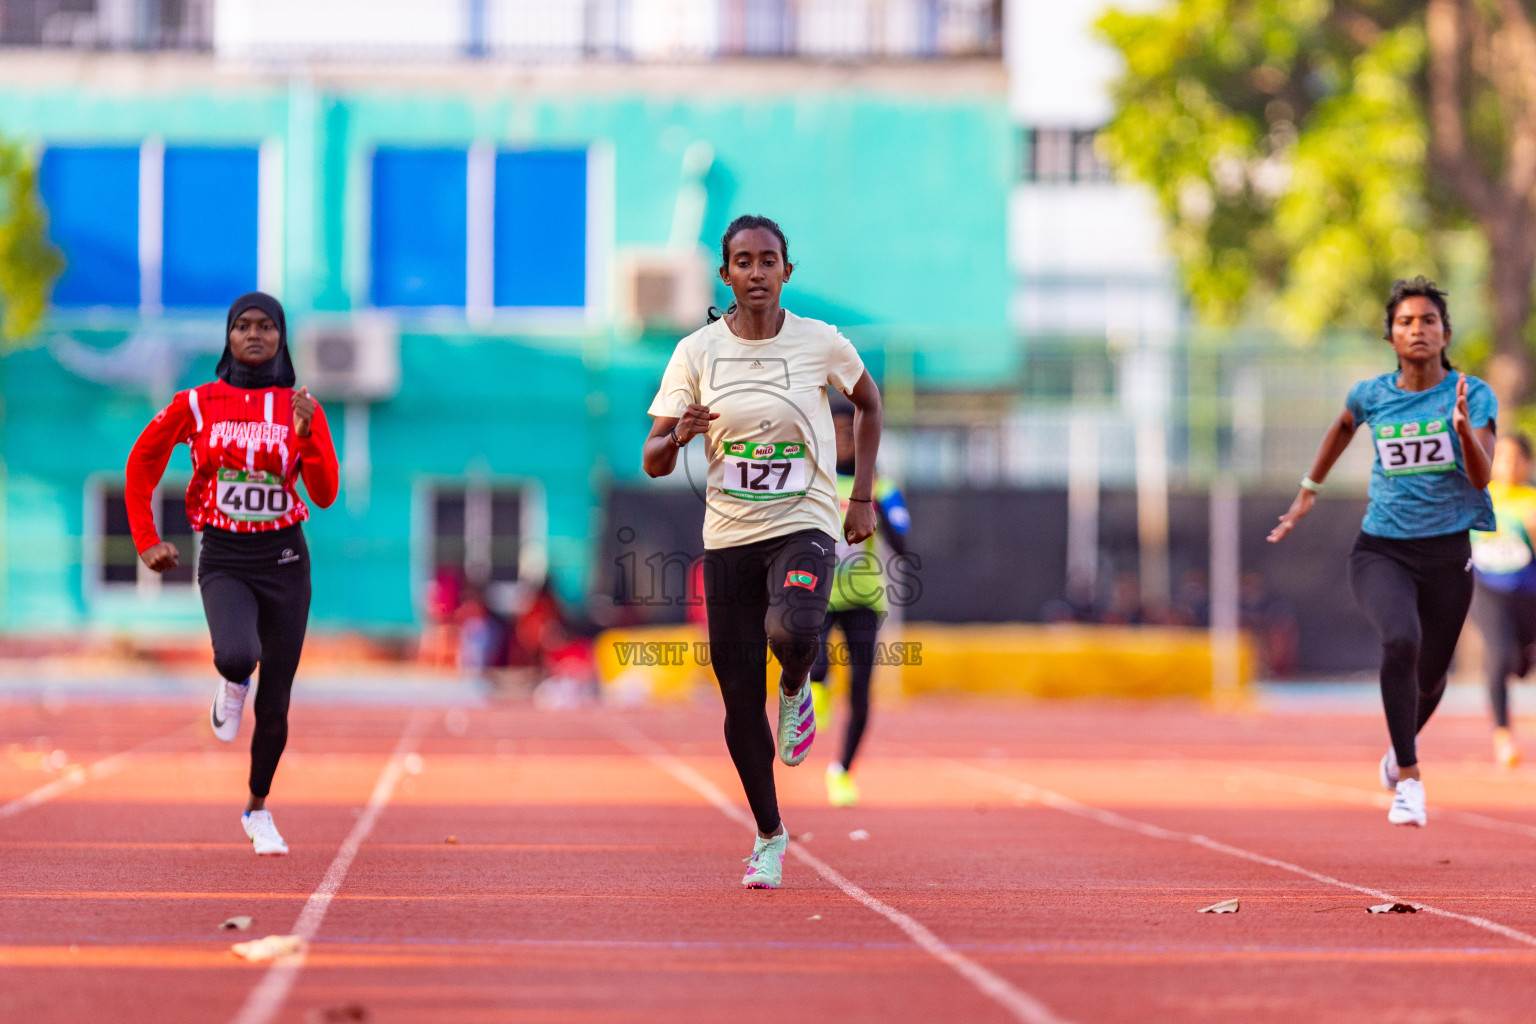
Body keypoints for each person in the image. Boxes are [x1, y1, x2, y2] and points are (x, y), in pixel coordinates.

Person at [643, 214, 883, 888]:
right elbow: (654, 458)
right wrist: (680, 435)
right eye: (742, 262)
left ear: (786, 271)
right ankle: (770, 836)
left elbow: (869, 402)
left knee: (795, 624)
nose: (755, 272)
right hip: (729, 538)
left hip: (803, 518)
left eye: (767, 260)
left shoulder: (820, 342)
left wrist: (859, 495)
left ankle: (798, 683)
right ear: (725, 274)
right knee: (737, 701)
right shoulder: (696, 353)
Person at [1269, 276, 1495, 829]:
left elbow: (1482, 476)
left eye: (1428, 321)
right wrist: (1307, 492)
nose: (1417, 330)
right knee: (1400, 641)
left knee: (1432, 678)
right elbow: (1343, 426)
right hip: (1383, 550)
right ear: (1391, 336)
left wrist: (1464, 431)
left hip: (1447, 555)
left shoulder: (1473, 393)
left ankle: (1398, 750)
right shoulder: (1372, 394)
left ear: (1445, 333)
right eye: (1405, 322)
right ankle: (1411, 781)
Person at [126, 292, 338, 855]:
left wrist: (309, 435)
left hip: (286, 560)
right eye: (241, 326)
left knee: (276, 704)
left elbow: (324, 493)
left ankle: (257, 808)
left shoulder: (299, 405)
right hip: (224, 554)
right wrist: (146, 540)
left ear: (280, 337)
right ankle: (229, 683)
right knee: (237, 656)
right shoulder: (197, 403)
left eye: (265, 326)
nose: (253, 335)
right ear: (227, 337)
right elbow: (142, 461)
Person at [807, 399, 910, 807]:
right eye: (837, 432)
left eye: (852, 432)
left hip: (863, 599)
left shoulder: (882, 488)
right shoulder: (814, 482)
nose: (845, 440)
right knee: (813, 660)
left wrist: (875, 506)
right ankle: (818, 686)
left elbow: (904, 545)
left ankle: (843, 771)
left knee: (863, 692)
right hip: (817, 595)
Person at [1469, 433, 1536, 767]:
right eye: (1501, 457)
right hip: (1487, 589)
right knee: (1498, 654)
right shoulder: (1477, 498)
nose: (1507, 464)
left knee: (1519, 663)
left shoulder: (1533, 500)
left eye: (1515, 458)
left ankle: (1522, 660)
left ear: (1528, 462)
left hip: (1528, 593)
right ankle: (1503, 735)